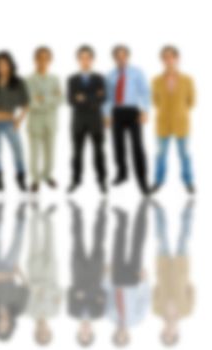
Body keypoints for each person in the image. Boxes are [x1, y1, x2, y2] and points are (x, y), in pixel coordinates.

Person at [104, 45, 151, 195]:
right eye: (118, 56)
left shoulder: (137, 72)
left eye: (123, 55)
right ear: (114, 58)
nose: (121, 59)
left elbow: (145, 92)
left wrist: (144, 110)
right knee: (118, 145)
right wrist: (106, 115)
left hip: (133, 111)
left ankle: (143, 181)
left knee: (137, 146)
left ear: (128, 56)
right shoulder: (110, 75)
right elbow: (107, 97)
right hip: (117, 112)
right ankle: (122, 174)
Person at [105, 201, 150, 348]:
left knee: (118, 246)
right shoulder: (137, 318)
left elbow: (107, 294)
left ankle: (122, 218)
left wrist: (106, 276)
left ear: (114, 334)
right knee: (138, 244)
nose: (121, 334)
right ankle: (142, 210)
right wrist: (144, 281)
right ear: (128, 336)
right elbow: (145, 299)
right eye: (124, 338)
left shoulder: (109, 316)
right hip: (133, 281)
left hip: (117, 279)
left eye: (118, 337)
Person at [150, 45, 195, 195]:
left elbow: (192, 101)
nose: (168, 60)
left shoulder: (187, 79)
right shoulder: (156, 80)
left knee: (184, 154)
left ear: (176, 58)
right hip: (163, 122)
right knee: (161, 154)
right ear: (162, 60)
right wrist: (166, 111)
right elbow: (155, 101)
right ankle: (158, 181)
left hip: (181, 123)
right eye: (165, 57)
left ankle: (188, 181)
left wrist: (179, 112)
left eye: (171, 56)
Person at [0, 51, 29, 192]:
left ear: (10, 65)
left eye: (5, 64)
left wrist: (19, 120)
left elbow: (26, 103)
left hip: (10, 122)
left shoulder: (19, 82)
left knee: (18, 149)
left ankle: (20, 176)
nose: (2, 67)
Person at [66, 45, 109, 194]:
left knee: (99, 152)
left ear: (92, 60)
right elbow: (70, 100)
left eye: (88, 57)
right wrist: (93, 96)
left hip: (96, 120)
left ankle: (102, 180)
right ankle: (75, 180)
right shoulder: (72, 79)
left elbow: (103, 98)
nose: (85, 60)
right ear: (78, 60)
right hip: (78, 120)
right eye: (82, 57)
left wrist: (83, 97)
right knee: (76, 152)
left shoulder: (100, 78)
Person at [0, 202, 29, 341]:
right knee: (18, 242)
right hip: (11, 270)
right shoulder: (19, 309)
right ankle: (20, 215)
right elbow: (26, 289)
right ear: (11, 327)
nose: (3, 324)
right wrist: (19, 273)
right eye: (6, 328)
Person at [152, 199, 193, 347]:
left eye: (165, 335)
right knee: (184, 238)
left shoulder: (156, 310)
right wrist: (183, 278)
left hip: (163, 267)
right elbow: (192, 290)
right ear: (177, 333)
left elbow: (155, 290)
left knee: (161, 237)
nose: (169, 332)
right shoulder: (187, 311)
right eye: (172, 336)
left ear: (162, 331)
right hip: (181, 267)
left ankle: (158, 210)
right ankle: (188, 210)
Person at [67, 200, 107, 347]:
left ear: (78, 332)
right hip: (96, 271)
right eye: (87, 335)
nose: (85, 332)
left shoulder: (72, 312)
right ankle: (102, 211)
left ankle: (76, 212)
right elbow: (103, 292)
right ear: (92, 332)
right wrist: (85, 293)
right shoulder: (99, 313)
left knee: (77, 239)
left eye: (82, 335)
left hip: (78, 271)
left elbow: (70, 291)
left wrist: (89, 294)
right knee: (99, 240)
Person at [25, 46, 62, 192]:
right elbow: (30, 102)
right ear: (35, 60)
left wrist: (42, 98)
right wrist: (50, 99)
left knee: (50, 152)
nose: (43, 61)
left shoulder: (55, 78)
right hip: (35, 121)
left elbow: (61, 100)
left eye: (46, 58)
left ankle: (47, 175)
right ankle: (35, 179)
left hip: (51, 121)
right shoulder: (28, 80)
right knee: (34, 152)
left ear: (50, 60)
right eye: (40, 58)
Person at [26, 203, 60, 346]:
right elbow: (59, 292)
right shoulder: (55, 312)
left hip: (34, 272)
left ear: (35, 332)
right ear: (50, 331)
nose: (43, 331)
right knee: (50, 242)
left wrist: (41, 290)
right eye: (46, 334)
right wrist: (43, 290)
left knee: (34, 241)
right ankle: (46, 217)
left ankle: (35, 213)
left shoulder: (28, 312)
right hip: (51, 274)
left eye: (40, 334)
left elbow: (28, 291)